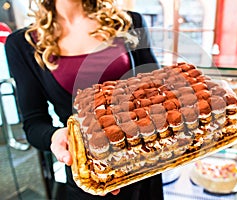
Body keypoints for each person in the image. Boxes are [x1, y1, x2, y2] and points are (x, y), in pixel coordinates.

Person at [5, 0, 163, 199]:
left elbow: (156, 92)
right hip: (91, 176)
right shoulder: (22, 44)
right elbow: (34, 123)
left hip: (147, 165)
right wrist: (56, 136)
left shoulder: (129, 22)